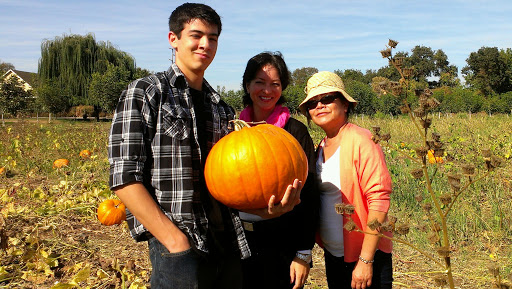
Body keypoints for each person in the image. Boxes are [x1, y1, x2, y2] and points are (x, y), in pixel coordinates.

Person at [298, 71, 393, 289]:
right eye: (313, 103)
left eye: (327, 98)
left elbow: (379, 201)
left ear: (345, 105)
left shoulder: (362, 139)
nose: (319, 105)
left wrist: (365, 261)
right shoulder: (320, 146)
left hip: (364, 257)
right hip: (334, 255)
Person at [238, 51, 319, 289]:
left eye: (275, 84)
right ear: (247, 85)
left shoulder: (295, 132)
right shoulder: (234, 131)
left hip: (282, 240)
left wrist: (303, 252)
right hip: (240, 242)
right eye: (259, 83)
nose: (267, 91)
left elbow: (310, 194)